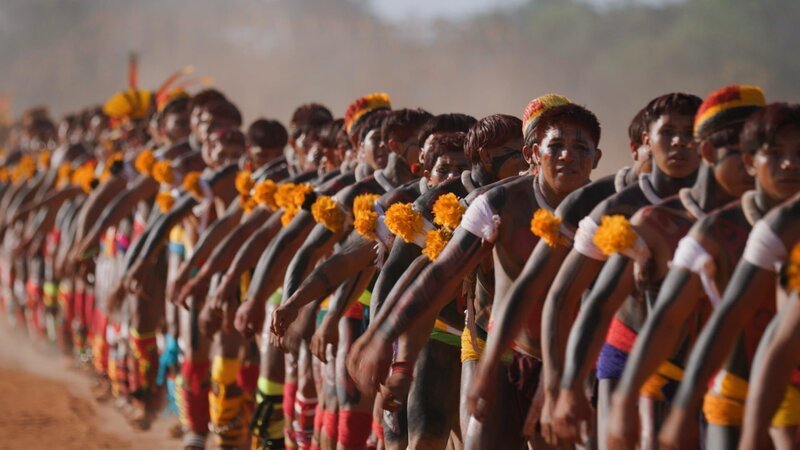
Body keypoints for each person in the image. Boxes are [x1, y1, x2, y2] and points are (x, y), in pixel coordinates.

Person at [352, 95, 604, 449]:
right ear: (532, 152)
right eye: (555, 145)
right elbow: (437, 274)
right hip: (493, 349)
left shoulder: (612, 211)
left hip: (576, 358)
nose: (567, 156)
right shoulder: (493, 204)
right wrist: (384, 340)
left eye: (580, 147)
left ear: (596, 157)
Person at [657, 103, 800, 450]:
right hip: (742, 388)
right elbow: (750, 326)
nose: (790, 164)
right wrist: (680, 410)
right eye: (776, 153)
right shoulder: (776, 226)